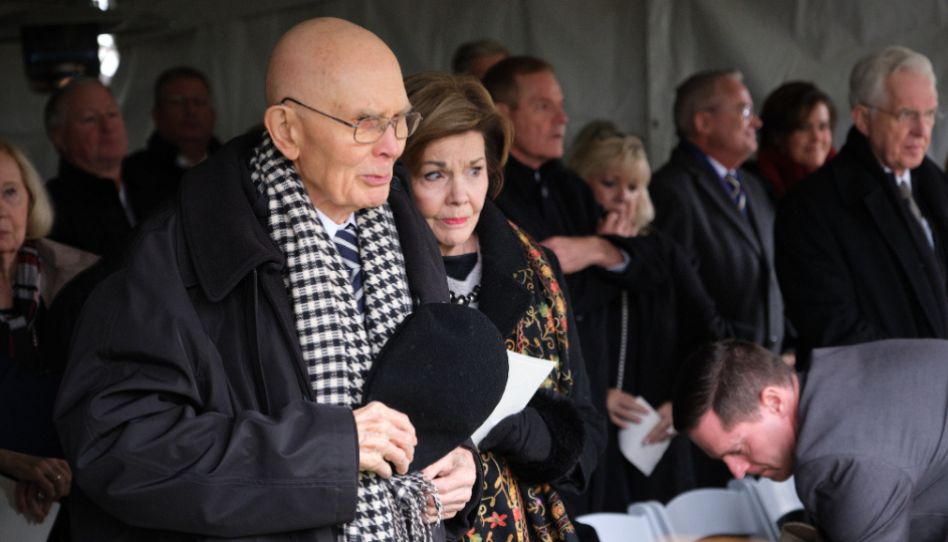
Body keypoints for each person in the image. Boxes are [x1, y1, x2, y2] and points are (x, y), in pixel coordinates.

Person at [54, 17, 483, 541]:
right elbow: (117, 446)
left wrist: (463, 461)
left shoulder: (404, 226)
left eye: (401, 119)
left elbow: (424, 407)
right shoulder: (176, 253)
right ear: (287, 130)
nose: (393, 146)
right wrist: (329, 451)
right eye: (366, 122)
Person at [401, 72, 604, 541]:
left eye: (474, 170)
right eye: (435, 174)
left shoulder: (536, 268)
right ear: (398, 176)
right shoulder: (376, 273)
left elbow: (588, 435)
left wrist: (517, 428)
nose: (460, 195)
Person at [482, 56, 654, 515]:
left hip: (591, 403)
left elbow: (648, 268)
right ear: (503, 114)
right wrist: (594, 258)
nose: (563, 118)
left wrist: (599, 251)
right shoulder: (489, 195)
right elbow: (546, 304)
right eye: (543, 106)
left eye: (561, 105)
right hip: (533, 415)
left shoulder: (571, 187)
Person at [566, 120, 728, 507]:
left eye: (634, 187)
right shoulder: (571, 252)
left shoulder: (664, 252)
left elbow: (711, 333)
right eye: (609, 183)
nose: (623, 198)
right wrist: (598, 391)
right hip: (591, 439)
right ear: (582, 182)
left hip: (656, 437)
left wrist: (684, 400)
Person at [672, 338, 948, 542]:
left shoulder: (835, 458)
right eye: (723, 458)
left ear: (773, 401)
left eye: (739, 449)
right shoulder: (837, 371)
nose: (738, 471)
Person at [775, 46, 948, 360]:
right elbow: (832, 329)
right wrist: (927, 370)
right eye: (907, 114)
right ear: (863, 119)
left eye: (930, 114)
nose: (922, 130)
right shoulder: (810, 209)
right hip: (884, 397)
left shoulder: (936, 188)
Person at [649, 69, 787, 357]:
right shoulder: (671, 190)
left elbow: (772, 274)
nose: (757, 122)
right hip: (715, 371)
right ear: (704, 122)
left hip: (763, 366)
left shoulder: (754, 187)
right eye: (745, 111)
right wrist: (736, 351)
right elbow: (681, 299)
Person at [0, 138, 96, 528]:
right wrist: (11, 464)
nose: (1, 211)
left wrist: (64, 474)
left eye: (10, 193)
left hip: (81, 492)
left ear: (31, 199)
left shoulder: (80, 278)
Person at [43, 77, 146, 258]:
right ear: (59, 136)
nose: (108, 127)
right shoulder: (50, 209)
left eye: (112, 114)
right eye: (89, 119)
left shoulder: (157, 183)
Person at [124, 66, 222, 218]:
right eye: (177, 102)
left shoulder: (229, 167)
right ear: (157, 114)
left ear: (213, 114)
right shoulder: (132, 174)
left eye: (199, 102)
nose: (191, 111)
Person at [755, 81, 837, 199]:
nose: (817, 137)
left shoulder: (847, 180)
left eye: (823, 126)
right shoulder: (756, 187)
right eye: (804, 127)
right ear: (778, 136)